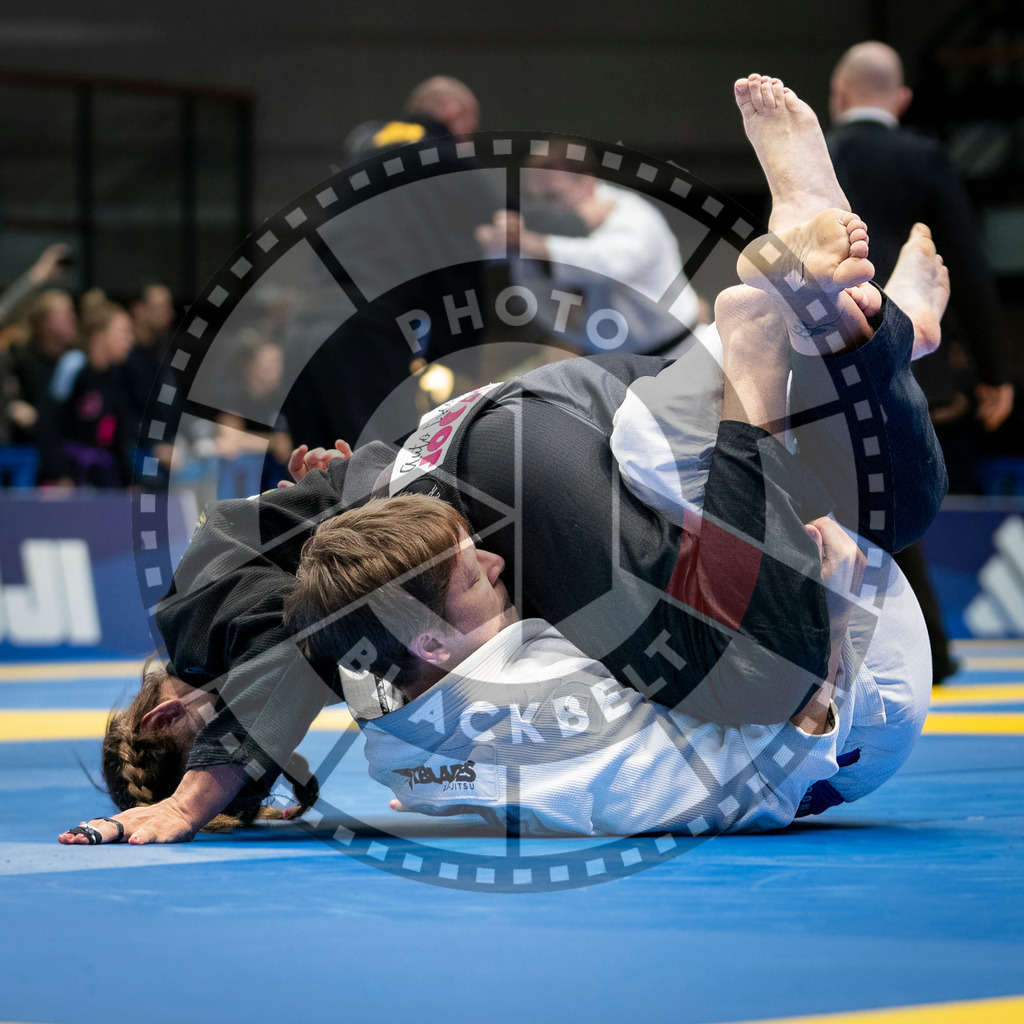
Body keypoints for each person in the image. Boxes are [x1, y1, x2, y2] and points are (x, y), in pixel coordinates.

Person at [59, 73, 947, 845]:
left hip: (500, 474)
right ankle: (873, 336)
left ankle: (771, 346)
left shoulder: (205, 622)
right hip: (539, 420)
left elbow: (286, 655)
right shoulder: (278, 607)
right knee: (880, 504)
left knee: (750, 673)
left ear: (172, 709)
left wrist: (193, 798)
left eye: (219, 745)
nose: (268, 750)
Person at [827, 41, 1010, 681]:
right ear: (901, 101)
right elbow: (966, 262)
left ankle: (909, 645)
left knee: (843, 496)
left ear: (838, 95)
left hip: (817, 351)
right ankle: (927, 645)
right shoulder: (924, 157)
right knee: (898, 492)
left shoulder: (818, 153)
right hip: (907, 361)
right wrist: (996, 370)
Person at [476, 150, 697, 355]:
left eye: (553, 196)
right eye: (536, 199)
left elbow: (606, 264)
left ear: (587, 183)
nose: (547, 210)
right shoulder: (545, 229)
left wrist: (528, 244)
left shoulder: (633, 216)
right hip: (612, 362)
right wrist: (488, 239)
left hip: (679, 352)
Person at [36, 296, 136, 486]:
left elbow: (118, 440)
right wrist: (60, 476)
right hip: (65, 479)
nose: (130, 340)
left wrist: (129, 482)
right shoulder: (72, 366)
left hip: (101, 480)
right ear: (100, 335)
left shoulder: (117, 377)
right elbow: (48, 426)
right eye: (124, 332)